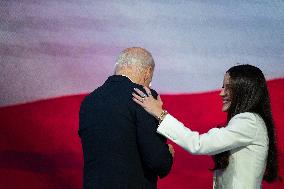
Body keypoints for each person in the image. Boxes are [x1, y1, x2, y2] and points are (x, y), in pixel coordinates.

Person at [132, 64, 278, 188]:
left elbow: (198, 144)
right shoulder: (250, 121)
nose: (221, 93)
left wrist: (160, 113)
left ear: (244, 91)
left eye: (228, 88)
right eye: (223, 87)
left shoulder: (249, 121)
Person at [78, 47, 174, 189]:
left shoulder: (89, 101)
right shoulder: (143, 97)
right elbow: (157, 162)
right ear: (147, 73)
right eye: (150, 80)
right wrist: (167, 154)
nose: (149, 85)